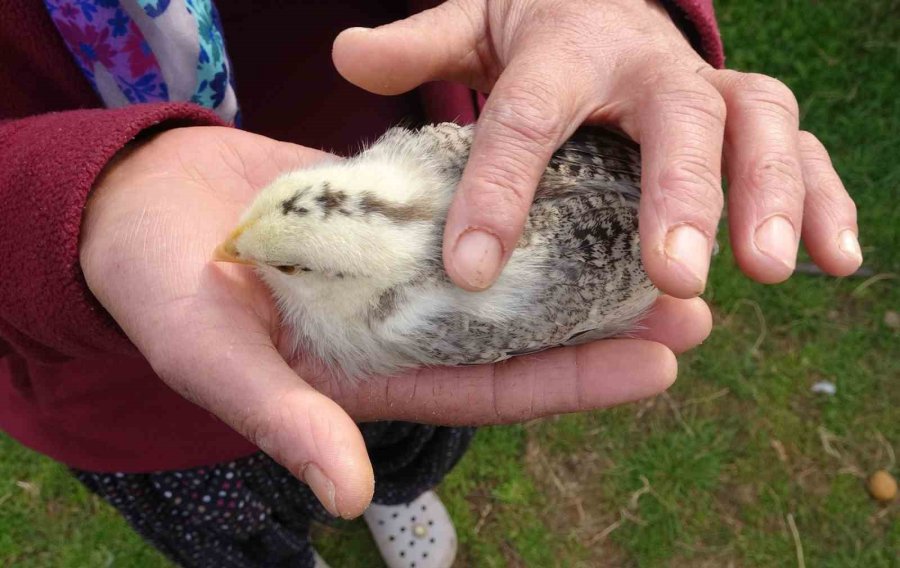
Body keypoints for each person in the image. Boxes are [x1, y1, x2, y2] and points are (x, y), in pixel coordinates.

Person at [0, 1, 860, 566]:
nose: (240, 256)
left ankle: (398, 493)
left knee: (399, 441)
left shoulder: (423, 308)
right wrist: (72, 212)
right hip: (111, 406)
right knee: (228, 526)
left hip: (395, 333)